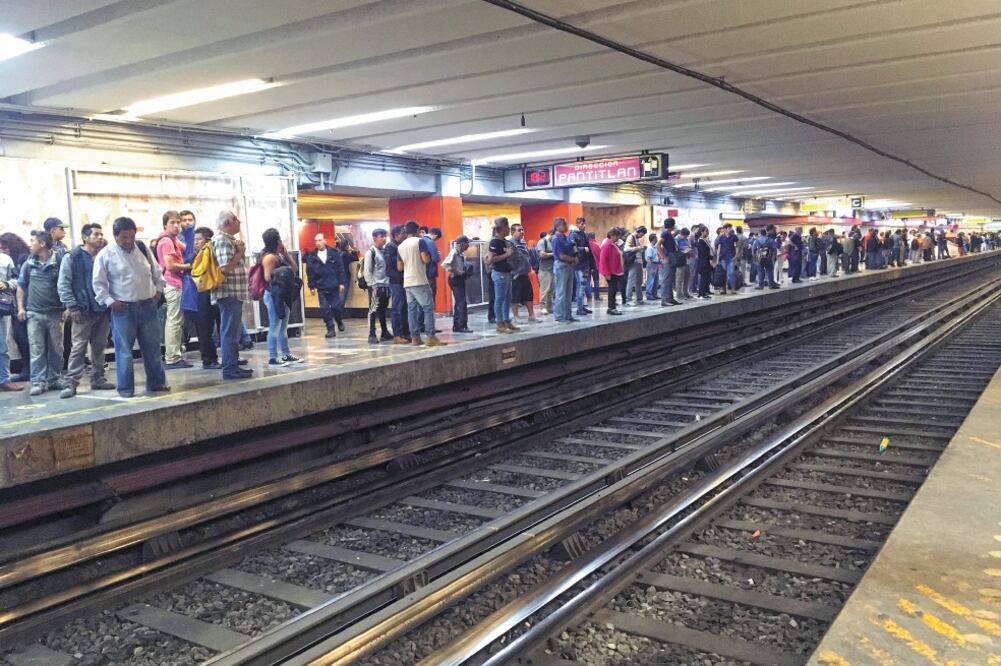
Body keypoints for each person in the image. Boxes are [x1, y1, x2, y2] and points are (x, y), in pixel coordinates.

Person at [92, 217, 169, 398]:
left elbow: (156, 271)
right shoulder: (106, 255)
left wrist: (158, 290)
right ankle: (126, 388)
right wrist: (111, 302)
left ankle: (157, 383)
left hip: (148, 307)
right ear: (115, 236)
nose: (128, 241)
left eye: (131, 236)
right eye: (124, 237)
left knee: (153, 348)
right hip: (123, 310)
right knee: (124, 351)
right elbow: (98, 284)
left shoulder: (142, 249)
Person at [57, 223, 115, 398]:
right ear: (85, 237)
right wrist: (71, 305)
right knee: (78, 347)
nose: (99, 237)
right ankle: (71, 382)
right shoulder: (72, 257)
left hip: (102, 308)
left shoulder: (105, 255)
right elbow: (64, 283)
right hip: (82, 310)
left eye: (101, 234)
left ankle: (98, 378)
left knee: (99, 346)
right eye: (96, 234)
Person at [16, 231, 65, 396]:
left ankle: (54, 379)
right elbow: (21, 286)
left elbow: (66, 284)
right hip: (34, 314)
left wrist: (67, 307)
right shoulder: (28, 264)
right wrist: (21, 308)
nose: (31, 244)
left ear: (42, 244)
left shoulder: (60, 261)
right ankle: (38, 381)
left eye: (33, 241)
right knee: (37, 349)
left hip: (55, 314)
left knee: (57, 348)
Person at [212, 211, 253, 381]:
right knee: (229, 332)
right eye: (237, 220)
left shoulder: (227, 240)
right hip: (228, 292)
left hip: (233, 292)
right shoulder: (222, 240)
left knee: (233, 331)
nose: (239, 223)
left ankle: (233, 365)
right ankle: (229, 368)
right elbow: (224, 269)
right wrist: (239, 254)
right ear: (229, 222)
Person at [154, 210, 192, 369]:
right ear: (165, 225)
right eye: (173, 223)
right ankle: (172, 357)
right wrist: (189, 266)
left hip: (175, 284)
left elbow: (187, 247)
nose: (177, 226)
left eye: (178, 222)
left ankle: (175, 354)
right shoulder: (167, 242)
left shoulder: (173, 240)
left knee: (176, 320)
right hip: (172, 284)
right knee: (174, 321)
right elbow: (170, 265)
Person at [397, 220, 445, 346]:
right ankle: (430, 337)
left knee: (411, 310)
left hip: (407, 282)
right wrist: (428, 256)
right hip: (419, 279)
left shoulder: (400, 246)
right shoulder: (420, 241)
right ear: (417, 231)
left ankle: (415, 338)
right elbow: (425, 259)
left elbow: (400, 267)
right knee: (428, 308)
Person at [260, 228, 301, 367]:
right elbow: (267, 277)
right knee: (275, 325)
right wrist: (283, 273)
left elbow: (294, 268)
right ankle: (272, 356)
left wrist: (286, 254)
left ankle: (286, 353)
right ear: (277, 240)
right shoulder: (269, 257)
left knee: (283, 327)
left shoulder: (279, 255)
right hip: (273, 295)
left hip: (283, 294)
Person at [0, 233, 31, 382]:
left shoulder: (22, 259)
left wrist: (6, 284)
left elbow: (20, 281)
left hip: (23, 303)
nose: (3, 251)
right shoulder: (17, 259)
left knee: (23, 337)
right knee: (20, 337)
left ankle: (29, 370)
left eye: (4, 248)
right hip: (16, 303)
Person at [304, 233, 347, 338]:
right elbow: (310, 272)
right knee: (325, 309)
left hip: (334, 285)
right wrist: (311, 286)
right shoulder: (312, 256)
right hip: (321, 287)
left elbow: (340, 268)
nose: (317, 243)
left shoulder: (334, 253)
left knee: (336, 307)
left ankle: (339, 320)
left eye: (319, 240)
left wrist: (342, 282)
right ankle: (330, 328)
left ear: (325, 241)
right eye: (316, 241)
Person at [191, 227, 221, 369]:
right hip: (202, 292)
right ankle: (208, 359)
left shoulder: (213, 253)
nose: (196, 243)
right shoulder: (195, 256)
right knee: (204, 327)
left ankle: (230, 356)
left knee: (222, 325)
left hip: (216, 290)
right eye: (194, 240)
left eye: (199, 240)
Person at [487, 216, 518, 334]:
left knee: (507, 299)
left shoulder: (504, 241)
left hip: (506, 273)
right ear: (502, 228)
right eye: (507, 227)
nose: (509, 230)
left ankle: (506, 321)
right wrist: (507, 254)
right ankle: (499, 323)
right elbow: (490, 259)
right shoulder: (495, 242)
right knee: (499, 299)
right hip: (499, 274)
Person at [362, 228, 393, 344]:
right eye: (381, 236)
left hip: (385, 285)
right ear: (374, 238)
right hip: (375, 286)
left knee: (383, 310)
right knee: (373, 309)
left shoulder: (384, 252)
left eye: (385, 236)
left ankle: (384, 332)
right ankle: (372, 333)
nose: (384, 239)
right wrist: (372, 285)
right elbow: (367, 271)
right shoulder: (371, 252)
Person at [384, 225, 410, 343]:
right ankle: (397, 335)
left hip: (404, 280)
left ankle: (405, 332)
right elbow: (390, 262)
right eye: (403, 233)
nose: (405, 235)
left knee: (404, 307)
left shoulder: (401, 245)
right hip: (396, 281)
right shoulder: (391, 247)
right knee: (397, 308)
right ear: (396, 234)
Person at [0, 245, 20, 391]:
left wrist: (5, 284)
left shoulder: (5, 260)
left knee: (2, 346)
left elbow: (17, 280)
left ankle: (4, 380)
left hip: (1, 308)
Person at [442, 234, 472, 333]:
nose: (468, 246)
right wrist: (455, 272)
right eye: (467, 244)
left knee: (461, 302)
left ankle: (459, 325)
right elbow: (445, 264)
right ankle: (460, 326)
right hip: (456, 279)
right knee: (461, 303)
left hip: (460, 278)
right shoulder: (454, 252)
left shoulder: (460, 253)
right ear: (462, 244)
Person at [509, 223, 538, 324]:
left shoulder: (523, 242)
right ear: (513, 232)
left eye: (522, 230)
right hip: (516, 275)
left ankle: (531, 315)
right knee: (515, 296)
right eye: (519, 230)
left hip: (525, 273)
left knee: (529, 295)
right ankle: (516, 316)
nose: (522, 232)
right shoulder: (510, 243)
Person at [551, 218, 578, 323]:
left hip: (569, 266)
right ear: (558, 227)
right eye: (564, 224)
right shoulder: (557, 239)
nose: (566, 226)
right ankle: (559, 316)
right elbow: (561, 256)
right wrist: (573, 259)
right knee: (561, 292)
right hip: (561, 266)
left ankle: (568, 315)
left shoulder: (565, 238)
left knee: (568, 292)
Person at [569, 218, 593, 316]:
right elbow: (572, 248)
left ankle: (582, 306)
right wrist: (583, 249)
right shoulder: (573, 235)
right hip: (579, 265)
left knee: (582, 286)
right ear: (577, 224)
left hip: (585, 264)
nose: (584, 226)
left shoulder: (583, 235)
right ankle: (579, 308)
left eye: (585, 224)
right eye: (582, 224)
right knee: (581, 287)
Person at [598, 228, 624, 315]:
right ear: (612, 236)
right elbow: (603, 260)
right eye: (617, 236)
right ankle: (611, 308)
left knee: (614, 289)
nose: (618, 238)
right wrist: (606, 273)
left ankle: (612, 307)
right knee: (612, 290)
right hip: (611, 272)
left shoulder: (612, 244)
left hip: (614, 271)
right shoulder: (607, 245)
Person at [658, 217, 682, 306]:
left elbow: (668, 242)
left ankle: (670, 299)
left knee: (671, 279)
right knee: (666, 280)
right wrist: (663, 256)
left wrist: (674, 234)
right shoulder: (665, 234)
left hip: (672, 257)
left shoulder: (668, 234)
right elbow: (658, 244)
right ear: (673, 225)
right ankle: (664, 300)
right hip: (668, 258)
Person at [623, 225, 646, 305]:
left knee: (639, 281)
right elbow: (626, 249)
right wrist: (638, 248)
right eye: (641, 234)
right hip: (633, 261)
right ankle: (628, 299)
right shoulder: (631, 237)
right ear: (639, 232)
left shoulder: (636, 238)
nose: (641, 236)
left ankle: (639, 298)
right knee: (631, 279)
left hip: (638, 261)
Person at [535, 231, 555, 314]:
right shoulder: (542, 242)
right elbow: (542, 254)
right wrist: (553, 254)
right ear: (551, 234)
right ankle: (542, 307)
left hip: (552, 269)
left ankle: (549, 307)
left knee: (551, 289)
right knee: (544, 289)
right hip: (544, 270)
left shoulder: (551, 242)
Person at [694, 227, 714, 298]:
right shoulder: (701, 241)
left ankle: (705, 291)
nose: (707, 233)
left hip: (706, 261)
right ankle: (702, 292)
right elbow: (703, 253)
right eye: (706, 231)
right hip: (703, 262)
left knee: (707, 277)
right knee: (704, 278)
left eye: (708, 231)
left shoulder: (704, 240)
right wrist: (711, 257)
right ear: (702, 232)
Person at [674, 227, 692, 300]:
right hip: (679, 261)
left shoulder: (686, 240)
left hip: (686, 260)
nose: (686, 237)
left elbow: (688, 246)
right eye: (685, 236)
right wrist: (683, 251)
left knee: (687, 278)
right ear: (681, 234)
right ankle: (679, 294)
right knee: (679, 279)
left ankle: (686, 292)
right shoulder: (676, 240)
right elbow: (677, 250)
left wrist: (689, 250)